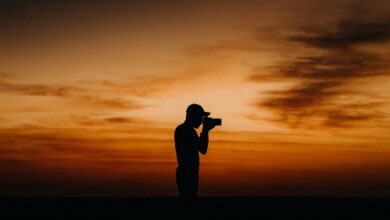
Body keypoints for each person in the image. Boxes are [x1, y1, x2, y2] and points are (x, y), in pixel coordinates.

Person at [174, 103, 216, 199]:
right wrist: (205, 130)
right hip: (188, 174)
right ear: (193, 116)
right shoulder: (188, 131)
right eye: (200, 117)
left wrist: (205, 130)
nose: (201, 121)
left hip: (185, 173)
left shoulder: (182, 129)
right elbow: (203, 149)